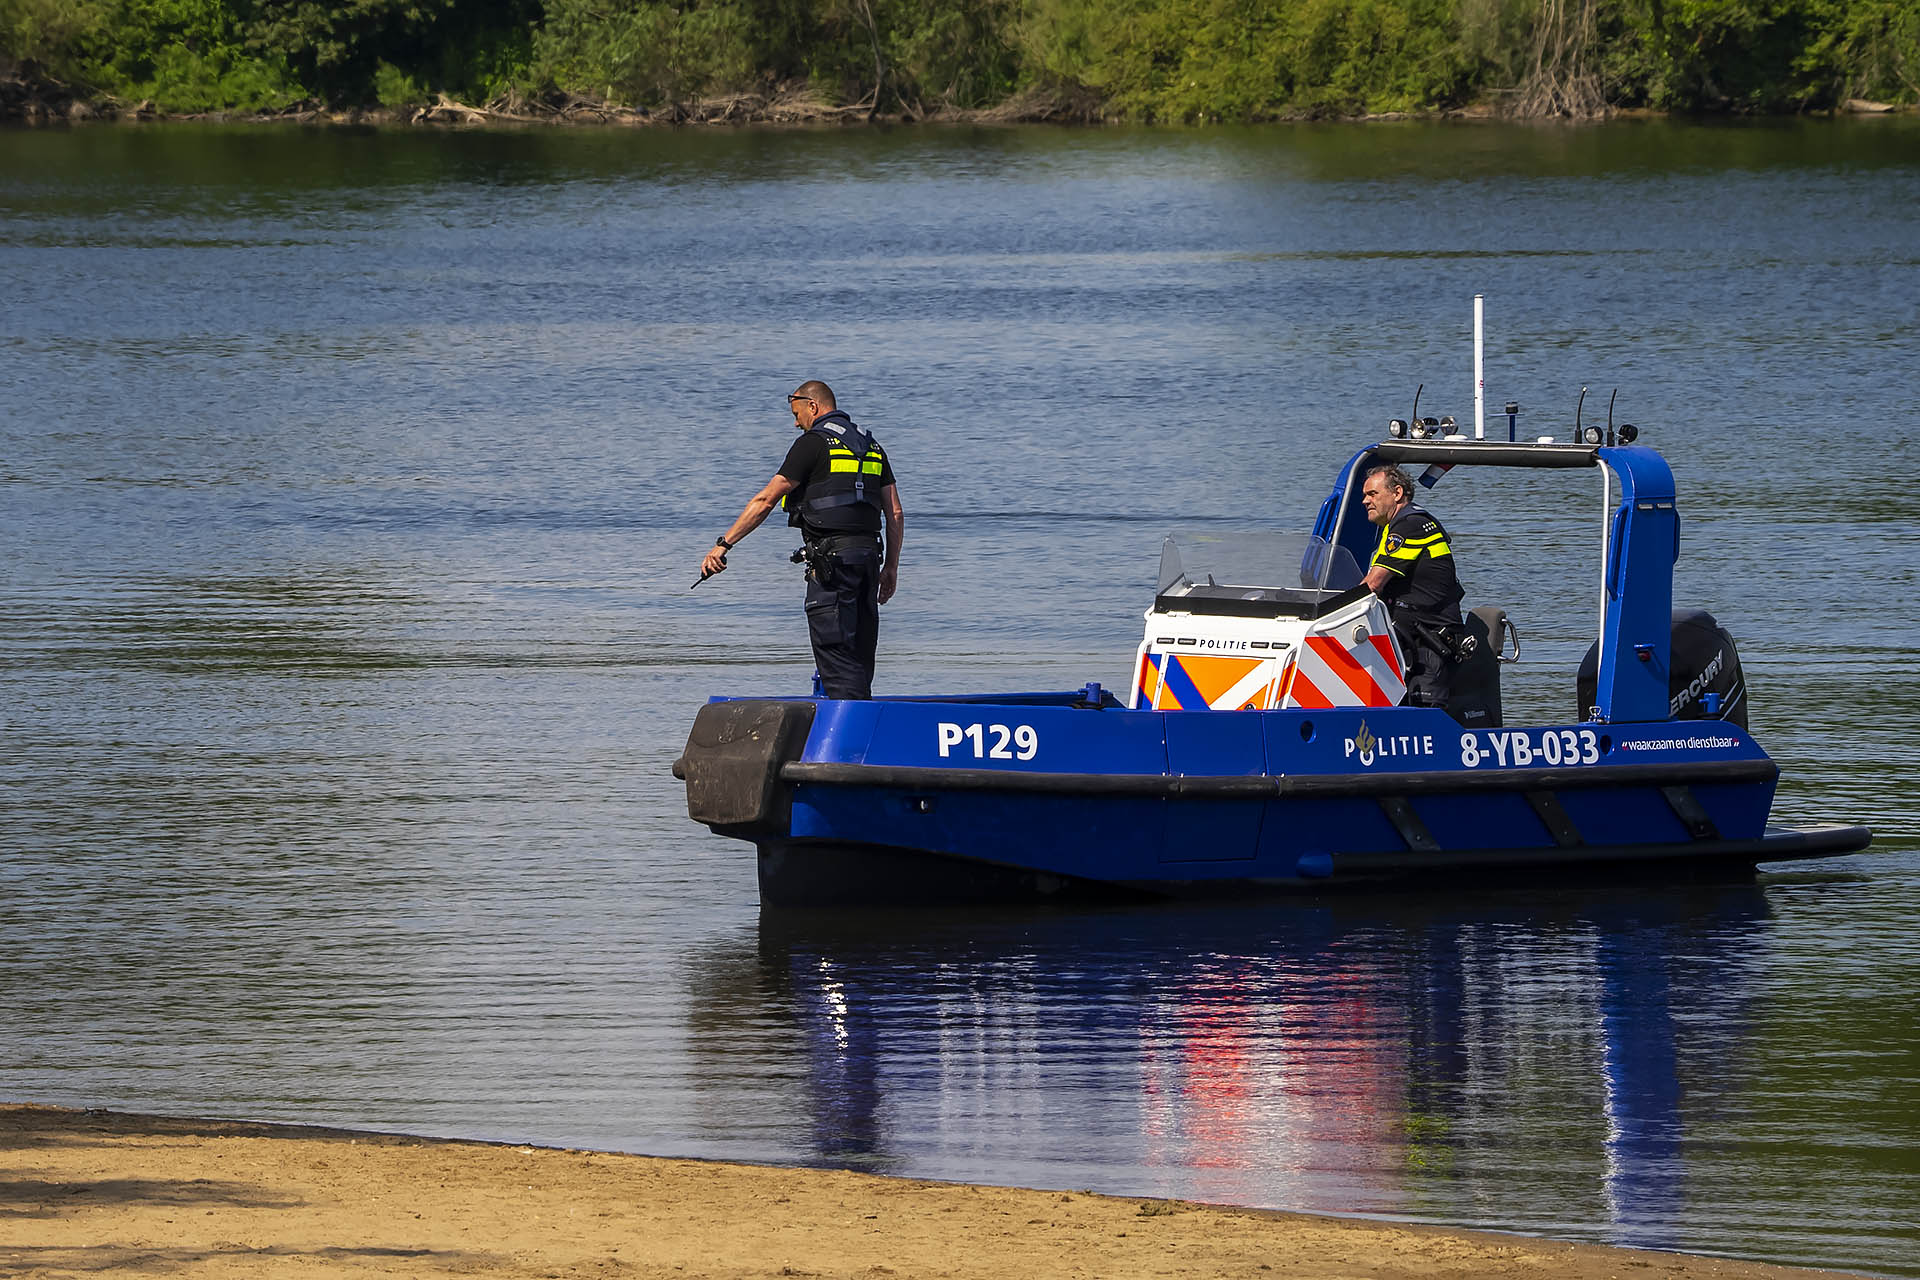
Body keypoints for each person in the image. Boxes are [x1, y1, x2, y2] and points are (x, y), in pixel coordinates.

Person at [699, 380, 903, 700]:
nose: (796, 423)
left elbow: (765, 500)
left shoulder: (813, 443)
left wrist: (724, 544)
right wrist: (891, 568)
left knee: (836, 654)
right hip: (867, 563)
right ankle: (863, 719)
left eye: (797, 414)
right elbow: (895, 513)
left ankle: (847, 738)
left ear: (813, 406)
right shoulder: (872, 446)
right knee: (859, 654)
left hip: (833, 566)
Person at [1359, 463, 1465, 710]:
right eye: (1364, 495)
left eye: (1372, 494)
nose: (1365, 501)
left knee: (1423, 717)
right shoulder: (1394, 527)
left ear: (1397, 493)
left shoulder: (1410, 526)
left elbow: (1373, 584)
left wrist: (1330, 610)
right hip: (1409, 640)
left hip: (1429, 642)